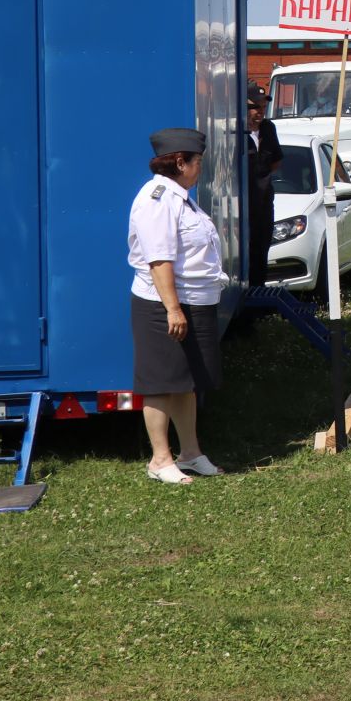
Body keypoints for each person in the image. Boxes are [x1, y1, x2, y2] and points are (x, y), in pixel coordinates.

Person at [127, 128, 227, 483]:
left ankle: (190, 453)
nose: (200, 167)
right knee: (161, 382)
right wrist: (172, 309)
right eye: (197, 161)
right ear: (180, 162)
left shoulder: (182, 197)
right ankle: (159, 459)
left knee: (188, 381)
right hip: (163, 304)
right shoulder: (158, 199)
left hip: (193, 301)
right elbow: (159, 260)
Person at [245, 84, 283, 291]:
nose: (259, 111)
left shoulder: (268, 129)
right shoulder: (236, 133)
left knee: (261, 248)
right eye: (254, 107)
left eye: (262, 107)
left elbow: (276, 161)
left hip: (264, 201)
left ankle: (258, 293)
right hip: (244, 203)